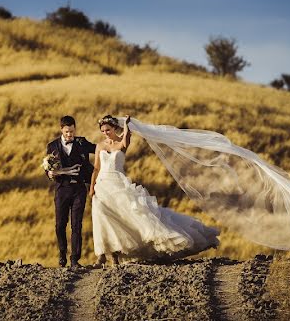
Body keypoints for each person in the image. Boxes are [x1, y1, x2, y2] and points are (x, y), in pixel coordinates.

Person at [89, 114, 220, 267]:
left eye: (108, 130)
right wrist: (92, 187)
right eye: (103, 131)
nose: (106, 133)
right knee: (102, 218)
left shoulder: (122, 141)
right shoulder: (100, 146)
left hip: (118, 184)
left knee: (124, 219)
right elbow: (96, 168)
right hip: (103, 184)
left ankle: (116, 256)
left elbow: (124, 143)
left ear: (114, 128)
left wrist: (126, 126)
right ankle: (102, 256)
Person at [45, 115, 97, 267]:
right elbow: (48, 168)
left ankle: (75, 260)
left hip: (79, 189)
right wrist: (50, 174)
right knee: (60, 224)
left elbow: (99, 149)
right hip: (62, 190)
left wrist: (114, 141)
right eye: (67, 132)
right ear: (61, 129)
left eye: (72, 132)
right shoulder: (52, 146)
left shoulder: (82, 142)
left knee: (77, 225)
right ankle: (62, 254)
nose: (70, 135)